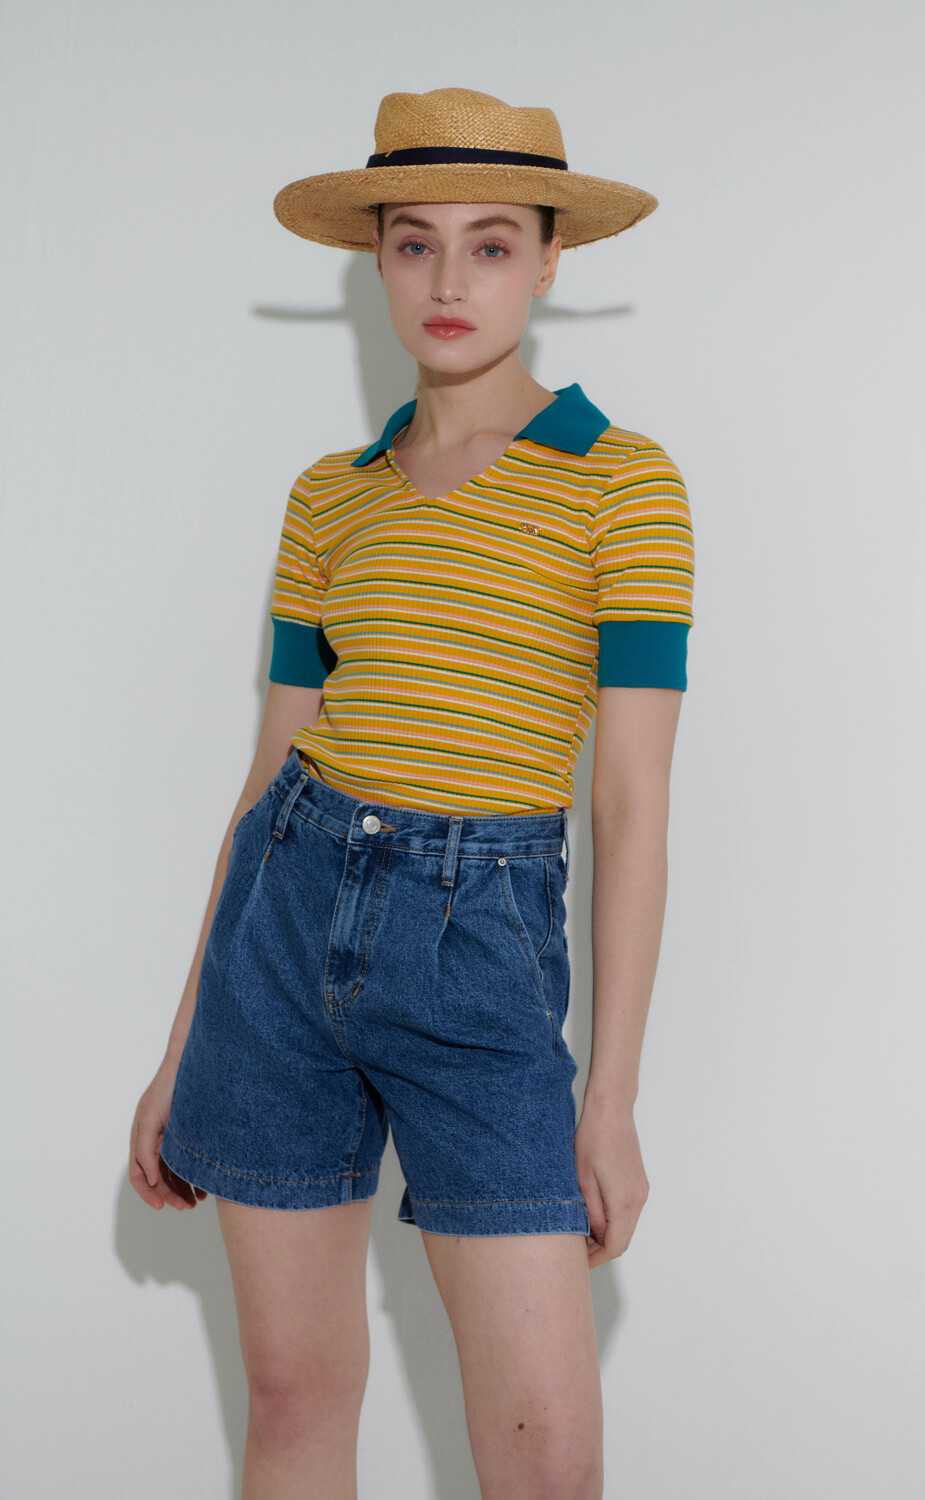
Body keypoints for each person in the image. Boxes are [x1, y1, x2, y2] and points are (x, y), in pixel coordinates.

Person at [129, 87, 695, 1500]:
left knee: (547, 1464)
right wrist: (183, 1044)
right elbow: (270, 772)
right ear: (375, 260)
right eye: (414, 242)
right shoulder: (331, 495)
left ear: (550, 260)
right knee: (294, 1398)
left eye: (492, 244)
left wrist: (611, 1097)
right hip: (281, 932)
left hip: (481, 944)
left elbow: (631, 806)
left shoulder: (625, 486)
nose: (449, 281)